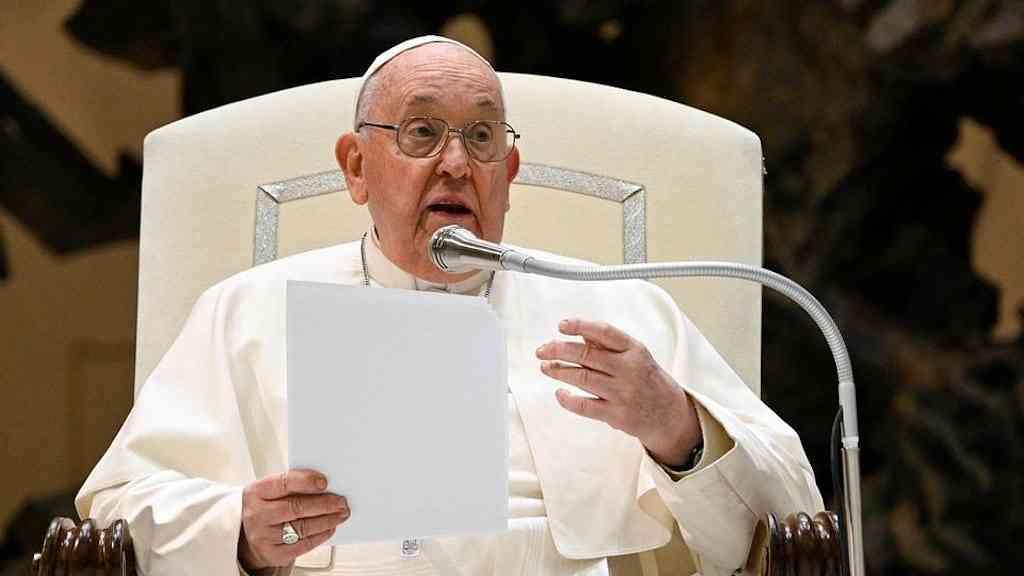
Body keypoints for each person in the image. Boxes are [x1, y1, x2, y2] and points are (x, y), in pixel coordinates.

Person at [76, 36, 823, 576]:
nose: (456, 164)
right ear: (356, 167)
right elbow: (115, 514)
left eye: (481, 137)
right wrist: (238, 533)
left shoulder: (616, 309)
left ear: (509, 172)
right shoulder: (244, 312)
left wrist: (679, 430)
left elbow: (791, 517)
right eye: (422, 133)